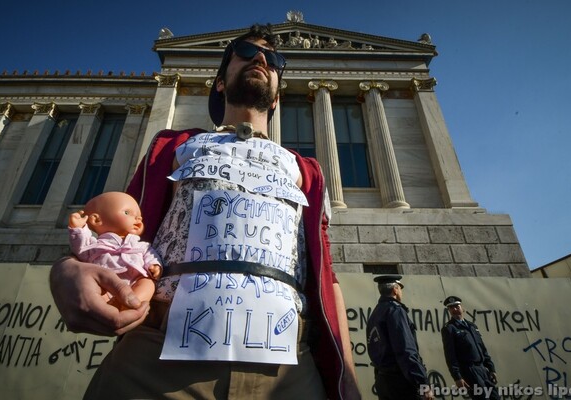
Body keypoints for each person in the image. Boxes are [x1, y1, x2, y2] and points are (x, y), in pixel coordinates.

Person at [50, 23, 360, 400]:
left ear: (277, 97)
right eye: (245, 53)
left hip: (288, 372)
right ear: (218, 83)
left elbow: (327, 276)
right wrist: (66, 268)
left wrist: (348, 378)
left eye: (273, 59)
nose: (261, 58)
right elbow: (120, 224)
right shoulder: (174, 146)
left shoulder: (307, 171)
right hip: (158, 363)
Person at [68, 191, 162, 307]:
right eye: (127, 212)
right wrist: (78, 229)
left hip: (134, 282)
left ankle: (132, 305)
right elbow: (81, 248)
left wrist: (154, 265)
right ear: (97, 220)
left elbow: (150, 253)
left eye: (139, 216)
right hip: (105, 286)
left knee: (147, 283)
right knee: (93, 292)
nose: (138, 219)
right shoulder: (96, 245)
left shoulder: (140, 245)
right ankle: (105, 307)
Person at [366, 275, 433, 400]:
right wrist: (422, 383)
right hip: (401, 382)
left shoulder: (375, 313)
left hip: (383, 381)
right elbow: (406, 350)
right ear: (395, 290)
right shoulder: (395, 310)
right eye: (400, 288)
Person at [441, 296, 499, 400]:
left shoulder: (472, 326)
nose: (454, 309)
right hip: (470, 370)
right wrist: (457, 377)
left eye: (456, 306)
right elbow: (450, 355)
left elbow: (482, 348)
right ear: (449, 310)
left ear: (462, 308)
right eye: (451, 308)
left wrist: (491, 368)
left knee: (495, 397)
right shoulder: (449, 329)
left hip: (482, 369)